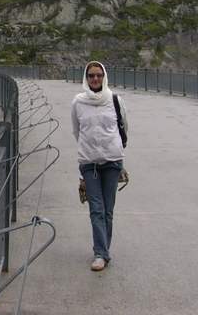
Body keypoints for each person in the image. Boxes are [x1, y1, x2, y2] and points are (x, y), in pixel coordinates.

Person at [71, 61, 128, 271]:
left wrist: (114, 148)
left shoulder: (114, 100)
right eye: (91, 75)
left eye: (99, 75)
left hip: (112, 161)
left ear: (104, 77)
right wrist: (90, 150)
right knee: (96, 209)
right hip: (89, 163)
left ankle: (103, 251)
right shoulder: (78, 102)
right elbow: (77, 131)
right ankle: (100, 254)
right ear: (85, 79)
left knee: (108, 210)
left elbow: (123, 127)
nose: (95, 79)